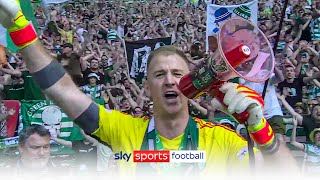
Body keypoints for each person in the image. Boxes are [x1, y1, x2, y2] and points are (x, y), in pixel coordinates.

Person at [0, 1, 298, 177]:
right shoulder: (123, 129)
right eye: (159, 74)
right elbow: (62, 90)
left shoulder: (222, 139)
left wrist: (262, 131)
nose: (169, 80)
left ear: (189, 83)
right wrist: (19, 24)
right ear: (147, 86)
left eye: (177, 73)